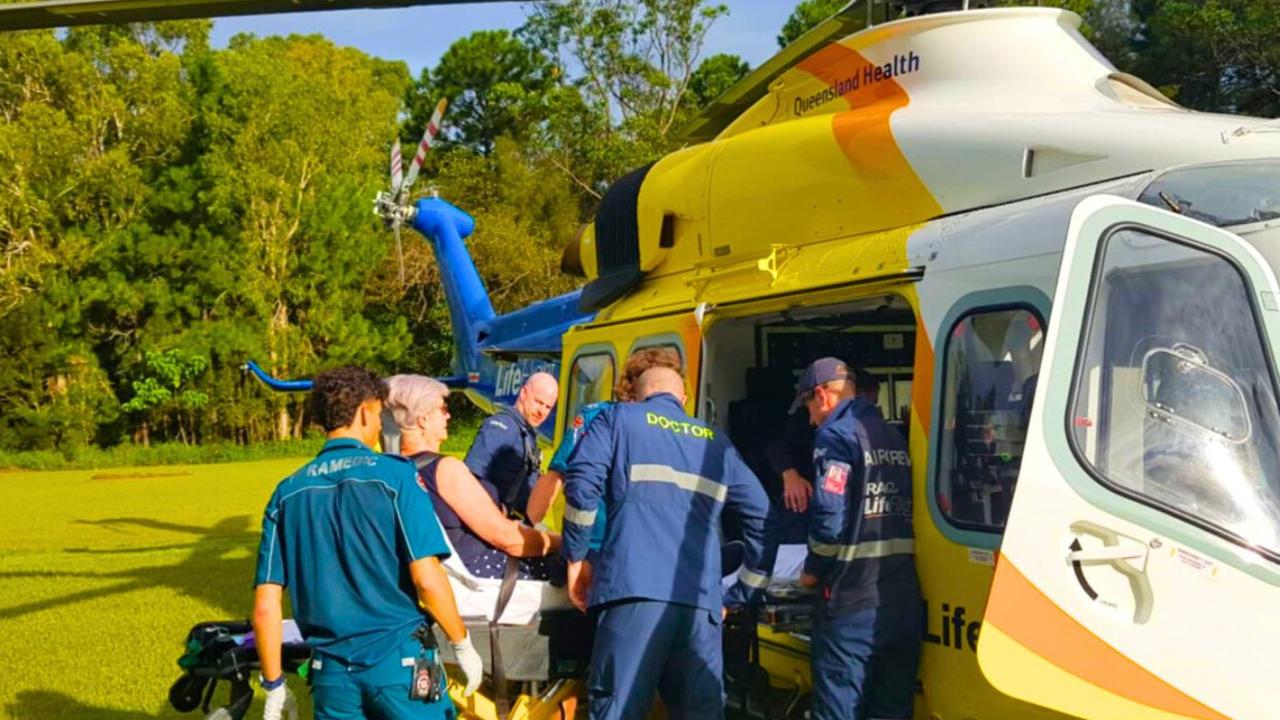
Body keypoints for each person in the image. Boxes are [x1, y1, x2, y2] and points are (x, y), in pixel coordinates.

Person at [251, 366, 483, 720]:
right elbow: (427, 578)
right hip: (400, 667)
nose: (380, 425)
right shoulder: (397, 476)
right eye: (378, 414)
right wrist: (462, 643)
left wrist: (273, 685)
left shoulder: (286, 494)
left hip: (331, 677)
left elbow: (267, 607)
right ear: (363, 411)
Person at [562, 366, 772, 720]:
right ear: (684, 399)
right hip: (699, 604)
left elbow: (582, 488)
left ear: (639, 394)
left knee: (619, 707)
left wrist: (576, 557)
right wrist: (739, 593)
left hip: (632, 593)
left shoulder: (617, 419)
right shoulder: (715, 441)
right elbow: (763, 515)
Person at [792, 357, 921, 720]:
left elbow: (830, 519)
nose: (810, 418)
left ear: (822, 395)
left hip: (851, 604)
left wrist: (812, 570)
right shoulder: (892, 435)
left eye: (808, 408)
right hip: (902, 601)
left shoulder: (834, 436)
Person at [385, 374, 562, 581]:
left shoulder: (392, 469)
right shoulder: (446, 470)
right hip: (479, 575)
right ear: (423, 420)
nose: (449, 416)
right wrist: (563, 542)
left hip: (438, 569)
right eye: (443, 409)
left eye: (548, 406)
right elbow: (508, 539)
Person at [525, 347, 684, 552]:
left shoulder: (598, 417)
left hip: (614, 548)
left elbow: (556, 477)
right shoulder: (599, 418)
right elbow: (555, 478)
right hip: (616, 548)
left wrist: (528, 529)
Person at [764, 368, 884, 543]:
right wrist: (790, 475)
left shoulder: (874, 432)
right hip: (806, 502)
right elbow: (776, 445)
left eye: (873, 405)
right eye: (868, 402)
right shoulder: (813, 421)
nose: (867, 409)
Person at [464, 372, 558, 517]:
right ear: (524, 393)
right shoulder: (504, 426)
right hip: (491, 522)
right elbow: (471, 475)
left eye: (548, 407)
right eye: (538, 402)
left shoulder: (525, 432)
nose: (541, 412)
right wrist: (491, 513)